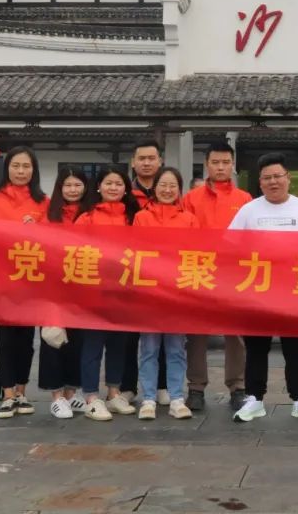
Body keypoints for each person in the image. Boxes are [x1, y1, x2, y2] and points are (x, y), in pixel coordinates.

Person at [230, 152, 298, 425]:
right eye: (267, 178)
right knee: (256, 347)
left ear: (288, 178)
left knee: (296, 348)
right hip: (257, 291)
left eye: (277, 176)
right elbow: (229, 245)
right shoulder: (249, 210)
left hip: (295, 291)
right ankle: (254, 398)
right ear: (260, 182)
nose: (273, 182)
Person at [0, 146, 50, 418]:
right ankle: (8, 393)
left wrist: (38, 229)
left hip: (32, 280)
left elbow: (55, 239)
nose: (21, 171)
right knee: (6, 338)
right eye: (16, 166)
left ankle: (22, 391)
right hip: (3, 279)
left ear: (34, 170)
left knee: (26, 339)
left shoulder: (43, 201)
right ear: (7, 168)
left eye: (26, 166)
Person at [180, 141, 250, 412]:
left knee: (236, 334)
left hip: (233, 274)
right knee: (196, 334)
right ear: (206, 165)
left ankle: (238, 387)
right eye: (215, 162)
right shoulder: (191, 199)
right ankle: (196, 387)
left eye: (226, 162)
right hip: (200, 271)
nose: (221, 167)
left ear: (233, 165)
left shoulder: (244, 199)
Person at [74, 165, 142, 421]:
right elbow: (73, 250)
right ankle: (91, 397)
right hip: (94, 291)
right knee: (92, 345)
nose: (113, 187)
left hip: (123, 291)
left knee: (118, 345)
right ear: (99, 187)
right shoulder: (87, 217)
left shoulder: (134, 218)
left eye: (118, 184)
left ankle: (114, 392)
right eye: (109, 183)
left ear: (126, 189)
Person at [134, 167, 196, 421]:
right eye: (163, 185)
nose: (167, 190)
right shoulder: (141, 217)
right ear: (155, 187)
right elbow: (136, 251)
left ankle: (176, 398)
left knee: (176, 348)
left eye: (173, 185)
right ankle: (148, 398)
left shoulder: (189, 219)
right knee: (149, 347)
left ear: (180, 189)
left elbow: (196, 254)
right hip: (149, 293)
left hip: (178, 293)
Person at [39, 167, 90, 419]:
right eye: (67, 185)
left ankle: (72, 393)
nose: (72, 190)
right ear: (60, 188)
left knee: (78, 341)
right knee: (52, 339)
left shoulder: (91, 214)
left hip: (83, 285)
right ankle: (57, 397)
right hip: (53, 287)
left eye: (77, 184)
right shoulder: (48, 214)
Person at [124, 140, 165, 403]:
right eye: (142, 158)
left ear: (160, 161)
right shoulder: (123, 193)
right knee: (128, 335)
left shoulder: (169, 193)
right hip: (128, 272)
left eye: (152, 158)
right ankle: (127, 387)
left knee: (162, 331)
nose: (147, 163)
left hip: (163, 276)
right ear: (133, 162)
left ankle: (162, 386)